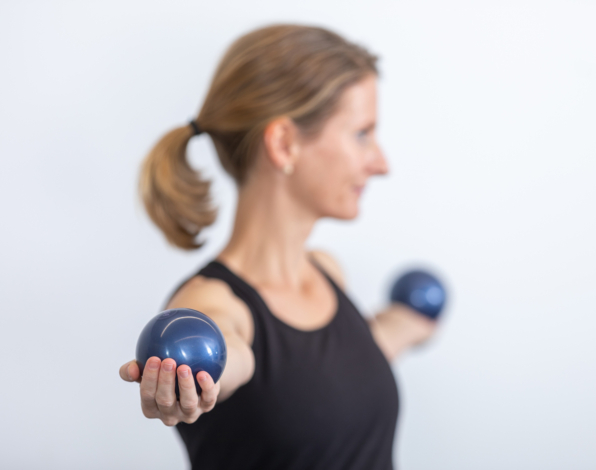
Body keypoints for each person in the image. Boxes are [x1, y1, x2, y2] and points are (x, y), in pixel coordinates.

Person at [119, 24, 437, 470]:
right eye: (362, 134)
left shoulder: (326, 272)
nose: (380, 163)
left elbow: (323, 373)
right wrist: (188, 382)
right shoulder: (209, 307)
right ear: (284, 144)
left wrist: (408, 324)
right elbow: (233, 358)